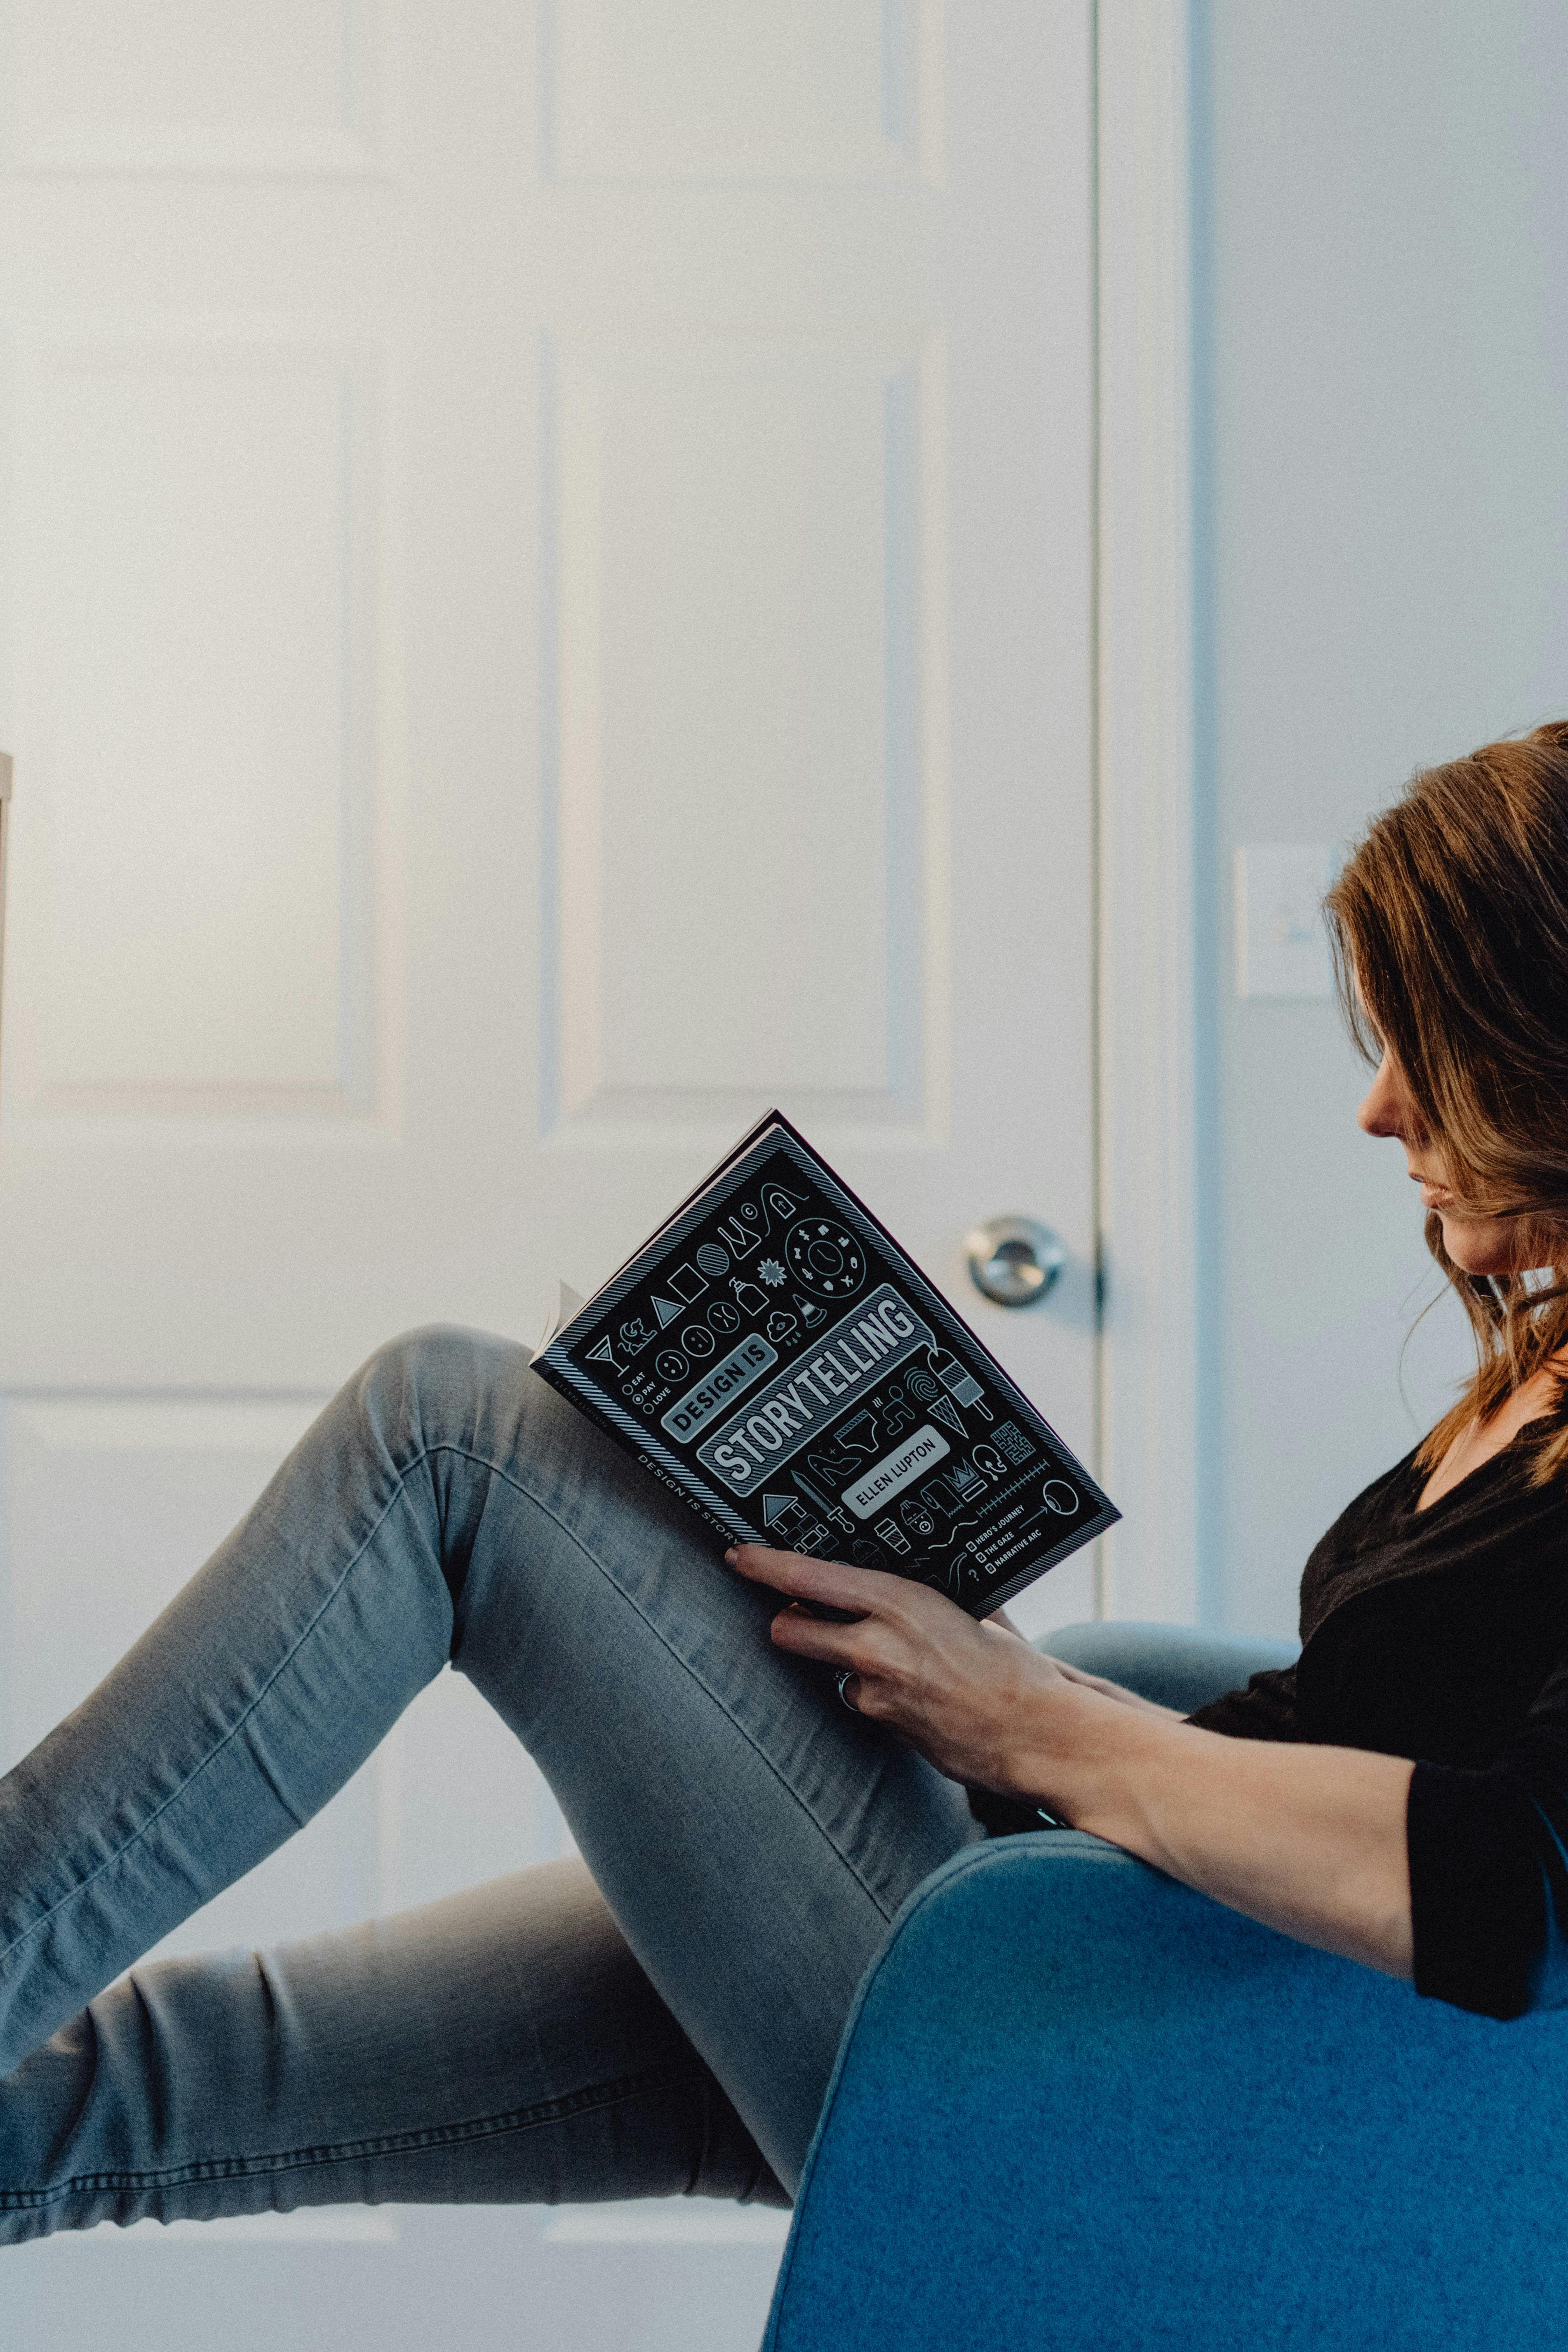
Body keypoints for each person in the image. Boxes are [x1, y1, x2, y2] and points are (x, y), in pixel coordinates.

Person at [3, 722, 1568, 2245]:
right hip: (1097, 1988)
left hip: (1133, 2133)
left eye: (1430, 1050)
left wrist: (1031, 1721)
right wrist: (1023, 1685)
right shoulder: (1535, 1382)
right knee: (112, 2088)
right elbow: (1368, 1728)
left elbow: (1522, 1891)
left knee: (450, 1431)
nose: (1381, 1110)